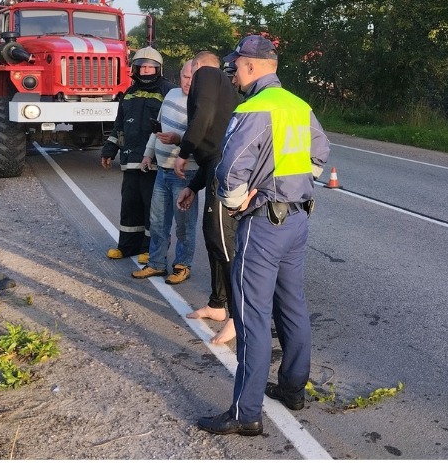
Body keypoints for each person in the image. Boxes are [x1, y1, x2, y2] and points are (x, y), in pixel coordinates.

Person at [197, 35, 331, 436]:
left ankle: (245, 413)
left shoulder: (253, 108)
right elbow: (319, 155)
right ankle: (292, 389)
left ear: (253, 66)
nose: (233, 74)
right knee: (292, 305)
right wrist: (292, 182)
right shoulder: (298, 105)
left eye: (236, 66)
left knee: (252, 316)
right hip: (297, 220)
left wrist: (235, 201)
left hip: (262, 224)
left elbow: (230, 167)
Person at [173, 51, 241, 344]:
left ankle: (239, 318)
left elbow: (203, 115)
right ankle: (217, 304)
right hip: (215, 164)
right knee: (213, 236)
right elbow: (213, 148)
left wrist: (184, 151)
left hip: (224, 166)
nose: (189, 81)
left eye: (190, 74)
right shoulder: (222, 84)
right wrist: (194, 185)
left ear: (197, 66)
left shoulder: (209, 74)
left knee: (223, 240)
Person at [102, 47, 173, 261]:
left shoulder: (167, 91)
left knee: (151, 206)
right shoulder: (129, 93)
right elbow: (119, 124)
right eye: (142, 66)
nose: (146, 70)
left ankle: (149, 249)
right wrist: (109, 148)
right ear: (135, 68)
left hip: (155, 160)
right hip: (131, 159)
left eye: (151, 67)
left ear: (159, 69)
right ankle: (127, 246)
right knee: (130, 204)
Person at [132, 59, 198, 283]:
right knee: (158, 221)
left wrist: (178, 140)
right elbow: (157, 128)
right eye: (185, 77)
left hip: (185, 173)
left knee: (184, 225)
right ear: (179, 75)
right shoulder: (170, 95)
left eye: (194, 77)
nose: (189, 82)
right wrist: (148, 154)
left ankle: (182, 265)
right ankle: (157, 263)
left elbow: (199, 140)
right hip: (162, 169)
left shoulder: (202, 103)